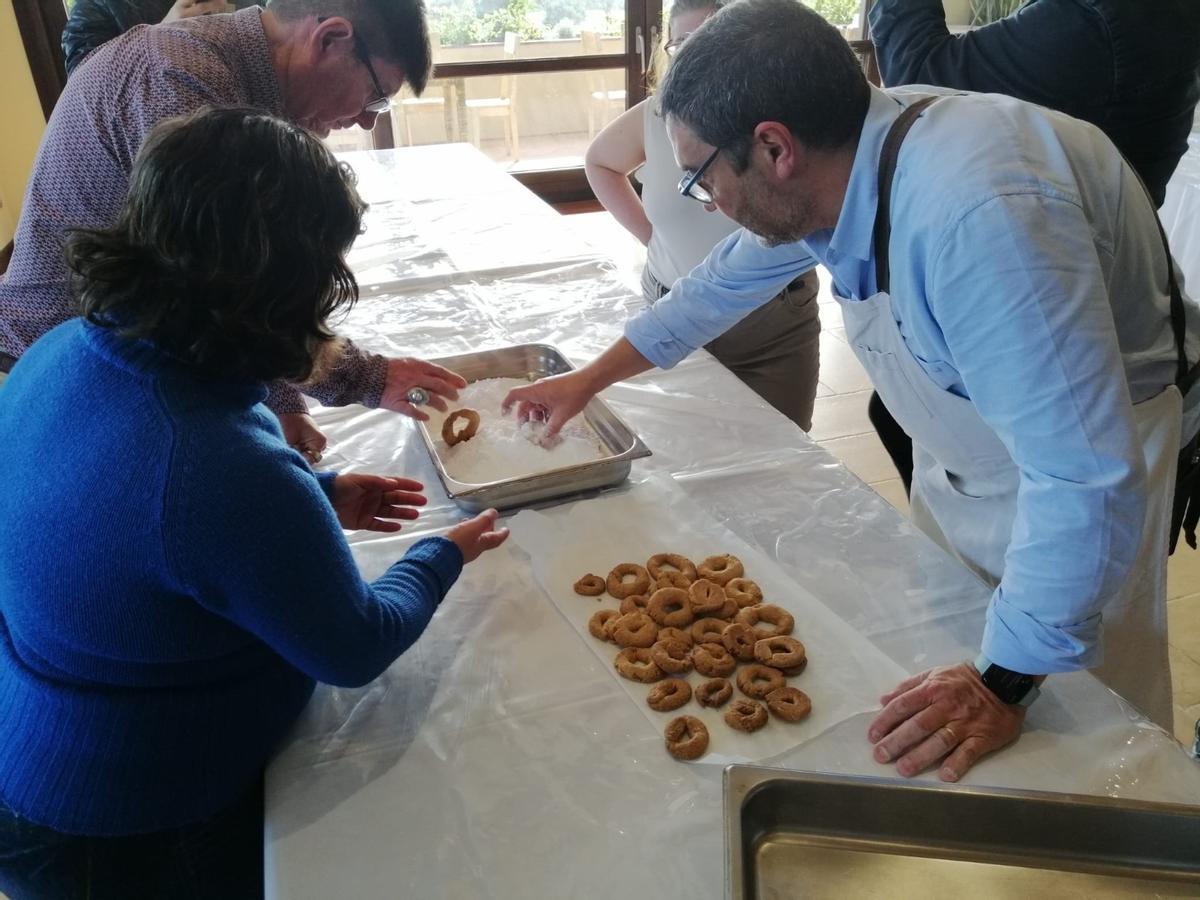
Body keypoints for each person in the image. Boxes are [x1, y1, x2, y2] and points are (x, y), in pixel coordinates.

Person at [504, 0, 1200, 780]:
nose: (709, 203)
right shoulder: (846, 155)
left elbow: (1081, 476)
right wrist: (587, 381)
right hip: (971, 450)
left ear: (774, 147)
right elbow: (720, 283)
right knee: (951, 676)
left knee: (1083, 730)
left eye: (701, 179)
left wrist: (1002, 683)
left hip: (1081, 486)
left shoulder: (984, 215)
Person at [0, 106, 509, 900]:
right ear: (277, 292)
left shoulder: (63, 347)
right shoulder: (218, 464)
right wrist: (443, 554)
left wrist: (320, 493)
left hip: (34, 756)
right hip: (130, 826)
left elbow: (130, 525)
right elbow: (353, 648)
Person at [1, 0, 465, 465]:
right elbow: (229, 294)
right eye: (376, 97)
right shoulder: (183, 84)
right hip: (63, 372)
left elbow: (239, 287)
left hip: (118, 350)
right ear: (330, 39)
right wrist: (367, 379)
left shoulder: (230, 66)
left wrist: (283, 400)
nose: (367, 121)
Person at [866, 0, 1200, 493]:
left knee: (1053, 489)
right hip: (1090, 293)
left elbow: (921, 80)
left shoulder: (1103, 18)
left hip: (1069, 312)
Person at [583, 0, 821, 430]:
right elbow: (599, 162)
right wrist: (650, 236)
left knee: (779, 446)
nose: (699, 61)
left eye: (712, 42)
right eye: (684, 45)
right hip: (672, 302)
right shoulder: (656, 115)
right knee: (677, 447)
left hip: (769, 323)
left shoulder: (789, 127)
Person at [63, 0, 245, 75]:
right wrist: (160, 37)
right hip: (168, 134)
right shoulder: (92, 8)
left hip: (241, 120)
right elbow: (86, 88)